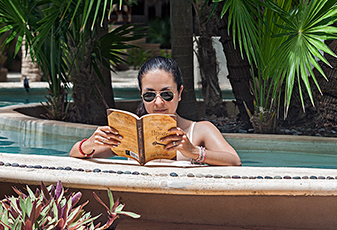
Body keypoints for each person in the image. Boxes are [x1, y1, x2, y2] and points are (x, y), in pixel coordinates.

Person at [70, 56, 241, 166]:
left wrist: (194, 152)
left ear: (179, 93)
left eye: (166, 94)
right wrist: (90, 144)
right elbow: (74, 155)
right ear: (141, 95)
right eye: (149, 95)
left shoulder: (200, 130)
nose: (158, 102)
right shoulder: (129, 135)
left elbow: (234, 161)